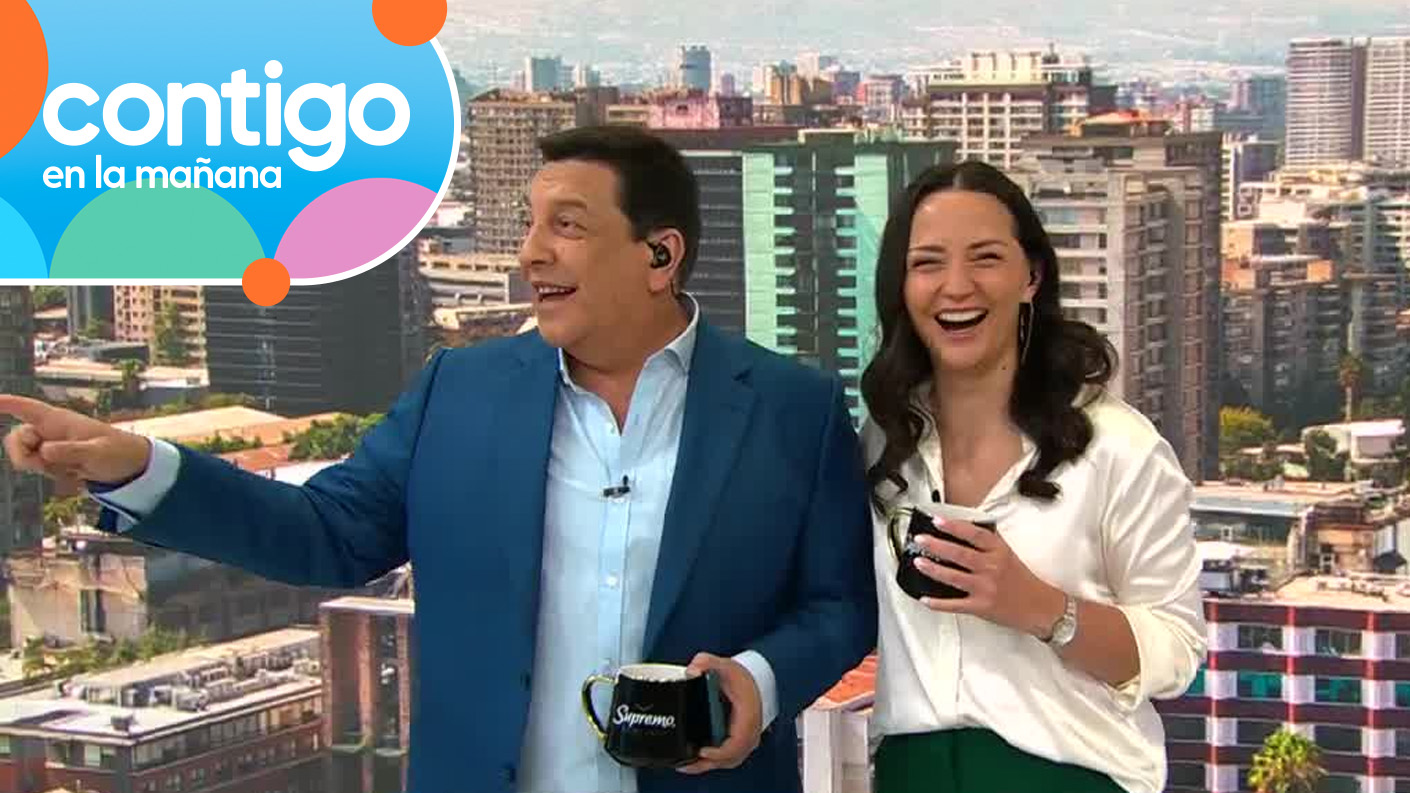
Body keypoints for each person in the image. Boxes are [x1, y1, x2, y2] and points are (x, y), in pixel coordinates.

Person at [0, 125, 877, 793]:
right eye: (529, 224)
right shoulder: (458, 392)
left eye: (566, 227)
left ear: (660, 254)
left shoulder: (791, 409)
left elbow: (839, 603)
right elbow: (323, 533)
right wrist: (139, 466)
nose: (531, 252)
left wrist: (759, 682)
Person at [858, 160, 1207, 793]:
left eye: (986, 258)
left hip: (1069, 776)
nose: (956, 286)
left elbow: (1177, 649)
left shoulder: (1118, 448)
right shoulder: (885, 440)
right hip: (912, 772)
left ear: (1032, 276)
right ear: (901, 287)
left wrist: (1044, 609)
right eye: (927, 263)